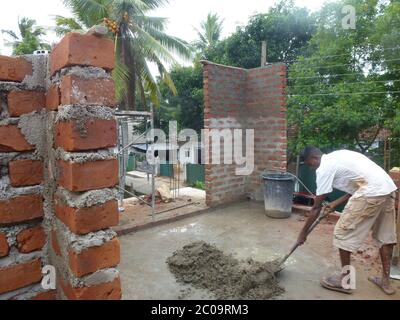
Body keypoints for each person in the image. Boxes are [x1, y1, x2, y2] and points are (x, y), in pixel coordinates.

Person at [297, 146, 398, 295]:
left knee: (342, 234)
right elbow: (357, 186)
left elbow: (316, 208)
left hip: (371, 192)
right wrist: (335, 204)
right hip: (388, 189)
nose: (311, 168)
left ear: (314, 158)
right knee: (385, 237)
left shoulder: (324, 168)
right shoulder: (339, 156)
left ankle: (345, 281)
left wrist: (303, 233)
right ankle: (385, 282)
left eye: (310, 165)